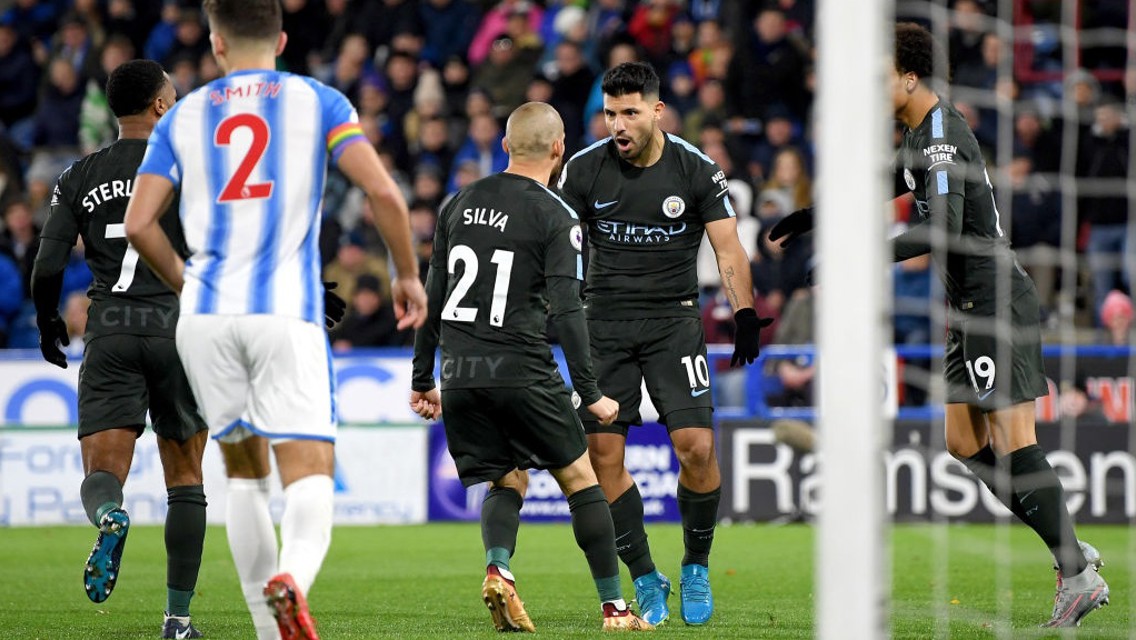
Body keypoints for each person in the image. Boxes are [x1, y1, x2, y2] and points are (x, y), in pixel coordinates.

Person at [769, 23, 1108, 629]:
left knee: (1015, 441)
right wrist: (813, 217)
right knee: (962, 443)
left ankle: (1076, 573)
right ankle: (1071, 547)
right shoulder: (918, 134)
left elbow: (944, 230)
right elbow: (883, 183)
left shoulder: (943, 136)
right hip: (967, 309)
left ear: (908, 76)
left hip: (997, 303)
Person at [123, 2, 428, 638]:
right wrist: (404, 274)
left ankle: (267, 629)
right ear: (282, 39)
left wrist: (186, 283)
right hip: (283, 312)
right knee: (310, 472)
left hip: (205, 319)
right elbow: (384, 195)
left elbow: (139, 223)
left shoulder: (181, 115)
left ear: (217, 45)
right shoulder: (318, 102)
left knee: (243, 475)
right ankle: (292, 577)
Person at [410, 101, 652, 633]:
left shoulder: (457, 203)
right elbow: (567, 310)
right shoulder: (556, 214)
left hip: (461, 373)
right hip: (519, 367)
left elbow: (431, 295)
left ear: (505, 146)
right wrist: (590, 392)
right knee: (581, 478)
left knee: (507, 480)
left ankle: (499, 568)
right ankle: (615, 609)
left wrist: (423, 378)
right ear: (560, 148)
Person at [556, 61, 772, 626]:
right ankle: (647, 576)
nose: (618, 125)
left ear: (657, 111)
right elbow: (557, 248)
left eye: (629, 112)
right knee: (604, 459)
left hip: (674, 322)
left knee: (696, 448)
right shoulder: (583, 171)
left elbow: (728, 249)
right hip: (601, 325)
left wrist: (744, 312)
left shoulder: (695, 169)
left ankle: (696, 565)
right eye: (610, 113)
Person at [29, 59, 208, 639]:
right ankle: (177, 621)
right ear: (160, 105)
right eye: (173, 94)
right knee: (186, 479)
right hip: (178, 330)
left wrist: (46, 320)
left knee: (102, 473)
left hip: (110, 331)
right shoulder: (191, 169)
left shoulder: (79, 173)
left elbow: (48, 263)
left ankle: (109, 516)